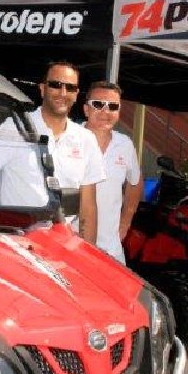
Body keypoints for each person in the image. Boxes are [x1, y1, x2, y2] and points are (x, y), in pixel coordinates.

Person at [0, 61, 104, 242]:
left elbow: (88, 206)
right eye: (56, 85)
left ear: (76, 94)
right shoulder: (16, 126)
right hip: (19, 242)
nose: (63, 93)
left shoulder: (86, 139)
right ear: (42, 89)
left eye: (70, 87)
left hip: (62, 244)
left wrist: (86, 254)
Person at [83, 81, 143, 263]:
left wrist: (126, 221)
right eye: (98, 104)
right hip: (73, 245)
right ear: (86, 109)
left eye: (113, 106)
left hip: (111, 248)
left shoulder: (125, 144)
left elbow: (135, 181)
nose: (106, 111)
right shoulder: (69, 139)